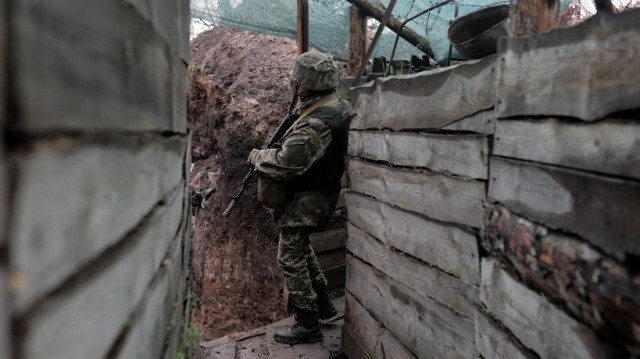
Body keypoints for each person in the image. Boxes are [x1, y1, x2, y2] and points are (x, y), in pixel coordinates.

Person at [247, 51, 351, 345]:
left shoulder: (318, 122)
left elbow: (286, 161)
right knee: (301, 251)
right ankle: (325, 307)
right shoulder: (330, 105)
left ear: (306, 83)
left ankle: (308, 326)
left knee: (289, 259)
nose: (293, 83)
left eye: (297, 79)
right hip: (314, 194)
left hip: (308, 199)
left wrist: (257, 157)